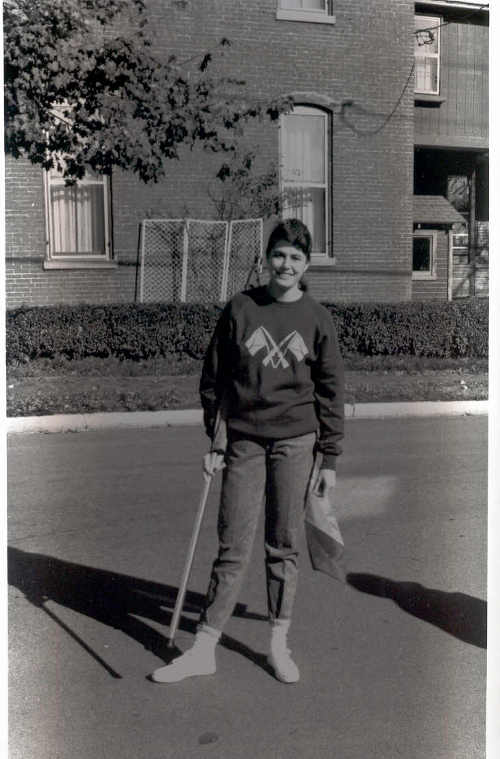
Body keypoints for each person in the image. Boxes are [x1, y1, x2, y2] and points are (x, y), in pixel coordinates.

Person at [151, 218, 344, 684]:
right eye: (279, 254)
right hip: (243, 441)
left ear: (306, 265)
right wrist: (215, 440)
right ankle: (204, 649)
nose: (286, 264)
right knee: (232, 544)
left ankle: (278, 643)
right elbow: (214, 379)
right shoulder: (241, 307)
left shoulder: (317, 318)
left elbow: (331, 391)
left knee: (283, 546)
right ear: (266, 257)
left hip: (296, 444)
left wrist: (330, 459)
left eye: (296, 258)